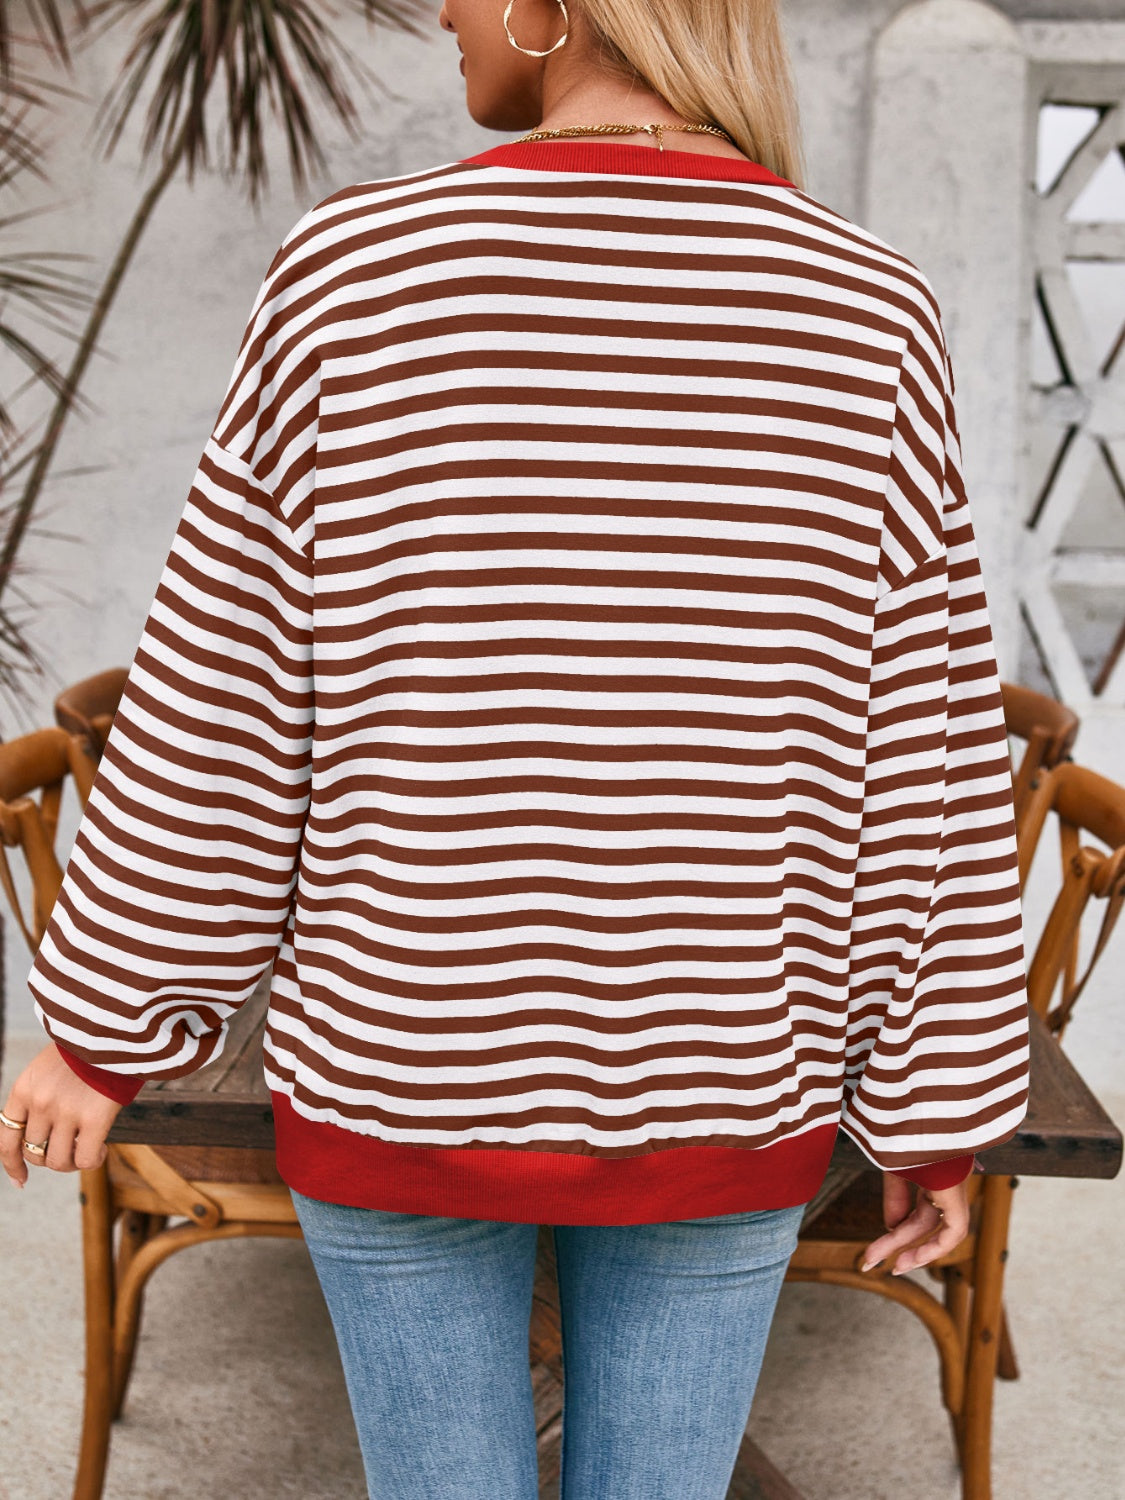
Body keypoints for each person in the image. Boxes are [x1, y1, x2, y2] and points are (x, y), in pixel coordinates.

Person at [1, 0, 1031, 1495]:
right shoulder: (868, 306)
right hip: (731, 1069)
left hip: (401, 1062)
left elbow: (225, 700)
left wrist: (106, 1023)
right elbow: (919, 751)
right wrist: (931, 1110)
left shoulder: (353, 271)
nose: (442, 8)